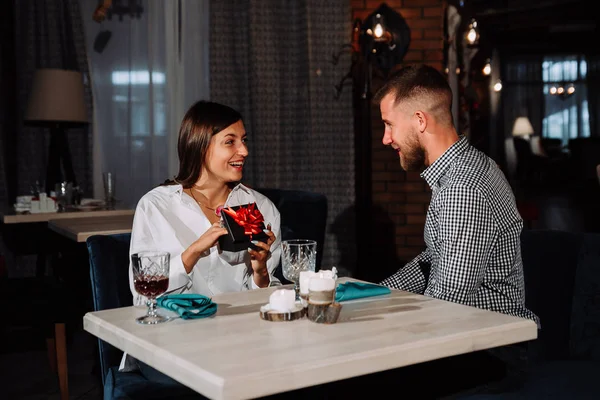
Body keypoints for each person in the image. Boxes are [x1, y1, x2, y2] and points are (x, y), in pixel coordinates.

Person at [371, 64, 539, 397]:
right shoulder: (472, 166)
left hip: (493, 351)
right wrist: (370, 294)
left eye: (389, 125)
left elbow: (447, 304)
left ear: (420, 121)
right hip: (483, 341)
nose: (386, 138)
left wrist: (380, 325)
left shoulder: (462, 188)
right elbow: (434, 259)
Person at [122, 100, 281, 374]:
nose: (244, 150)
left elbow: (265, 304)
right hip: (170, 343)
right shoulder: (157, 206)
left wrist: (260, 274)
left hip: (242, 344)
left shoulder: (260, 207)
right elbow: (142, 298)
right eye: (230, 142)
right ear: (199, 146)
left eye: (244, 140)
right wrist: (192, 252)